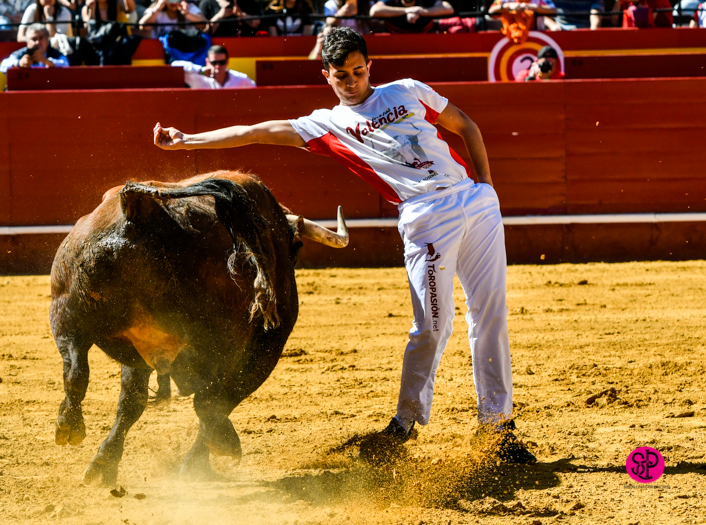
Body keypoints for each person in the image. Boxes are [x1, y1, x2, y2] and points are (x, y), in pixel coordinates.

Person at [153, 27, 537, 465]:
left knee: (491, 315)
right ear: (327, 76)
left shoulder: (407, 90)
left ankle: (497, 427)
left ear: (369, 66)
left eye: (359, 71)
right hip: (426, 215)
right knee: (433, 324)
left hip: (476, 203)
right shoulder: (327, 123)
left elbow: (464, 124)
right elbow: (258, 130)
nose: (353, 81)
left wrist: (486, 186)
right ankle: (405, 423)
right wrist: (188, 140)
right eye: (343, 74)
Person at [171, 44, 255, 88]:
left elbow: (256, 91)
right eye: (214, 63)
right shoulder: (199, 77)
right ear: (207, 62)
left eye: (222, 62)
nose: (218, 66)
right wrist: (201, 70)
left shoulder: (240, 79)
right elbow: (174, 65)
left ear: (227, 62)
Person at [0, 22, 69, 72]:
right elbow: (3, 66)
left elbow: (66, 65)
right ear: (27, 42)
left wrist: (46, 61)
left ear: (47, 40)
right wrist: (19, 63)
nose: (37, 42)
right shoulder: (22, 53)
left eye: (41, 38)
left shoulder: (55, 54)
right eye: (34, 39)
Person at [370, 0, 453, 33]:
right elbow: (374, 11)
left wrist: (421, 11)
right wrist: (407, 10)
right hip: (395, 42)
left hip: (424, 41)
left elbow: (448, 8)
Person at [138, 0, 206, 39]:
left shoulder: (189, 8)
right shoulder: (156, 9)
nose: (174, 2)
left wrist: (186, 13)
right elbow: (143, 26)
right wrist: (158, 7)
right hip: (164, 50)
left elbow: (204, 26)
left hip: (187, 49)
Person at [489, 0, 557, 31]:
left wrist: (535, 7)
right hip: (510, 37)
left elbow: (554, 11)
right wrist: (508, 6)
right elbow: (491, 11)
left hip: (537, 37)